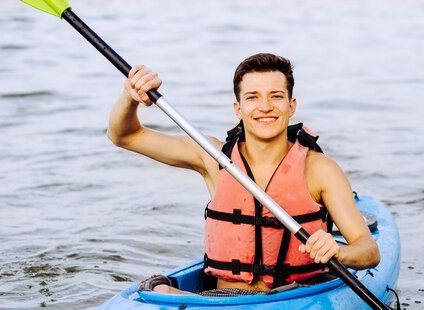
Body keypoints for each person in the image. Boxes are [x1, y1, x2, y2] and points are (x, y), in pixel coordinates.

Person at [107, 53, 379, 295]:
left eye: (276, 96)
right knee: (159, 289)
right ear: (238, 108)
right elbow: (125, 136)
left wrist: (338, 250)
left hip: (295, 296)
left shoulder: (320, 169)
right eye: (252, 97)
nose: (265, 107)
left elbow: (368, 250)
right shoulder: (213, 157)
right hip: (224, 300)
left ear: (291, 105)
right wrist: (130, 98)